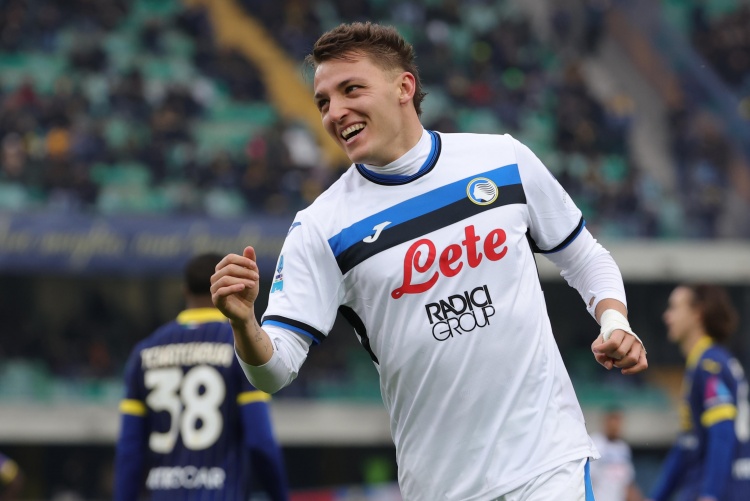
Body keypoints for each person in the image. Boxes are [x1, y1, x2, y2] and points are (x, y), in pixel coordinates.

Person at [211, 22, 648, 501]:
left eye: (351, 89)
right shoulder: (321, 226)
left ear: (404, 87)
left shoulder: (502, 161)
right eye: (323, 102)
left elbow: (584, 255)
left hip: (548, 465)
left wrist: (614, 320)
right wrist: (244, 324)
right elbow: (274, 372)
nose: (335, 112)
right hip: (440, 487)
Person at [114, 253, 289, 501]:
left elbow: (129, 451)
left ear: (185, 291)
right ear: (229, 288)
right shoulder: (243, 349)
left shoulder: (144, 352)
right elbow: (260, 442)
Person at [646, 284, 750, 501]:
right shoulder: (704, 363)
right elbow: (686, 445)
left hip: (726, 489)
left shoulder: (709, 365)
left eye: (674, 308)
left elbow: (722, 432)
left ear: (697, 313)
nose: (667, 316)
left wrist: (710, 494)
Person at [589, 407, 644, 501]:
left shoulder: (623, 448)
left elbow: (628, 482)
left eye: (618, 422)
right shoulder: (595, 443)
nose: (615, 426)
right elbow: (586, 478)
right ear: (606, 422)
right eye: (613, 421)